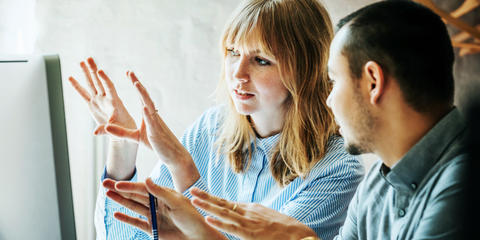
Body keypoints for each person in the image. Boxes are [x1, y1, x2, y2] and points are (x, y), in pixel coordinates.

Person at [139, 0, 465, 239]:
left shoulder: (463, 186)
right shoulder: (381, 184)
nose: (328, 98)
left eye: (334, 81)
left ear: (373, 83)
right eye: (233, 53)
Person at [68, 0, 364, 239]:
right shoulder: (211, 128)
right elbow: (127, 237)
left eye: (261, 60)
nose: (237, 74)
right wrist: (123, 144)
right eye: (233, 52)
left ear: (305, 70)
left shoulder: (338, 168)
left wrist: (183, 168)